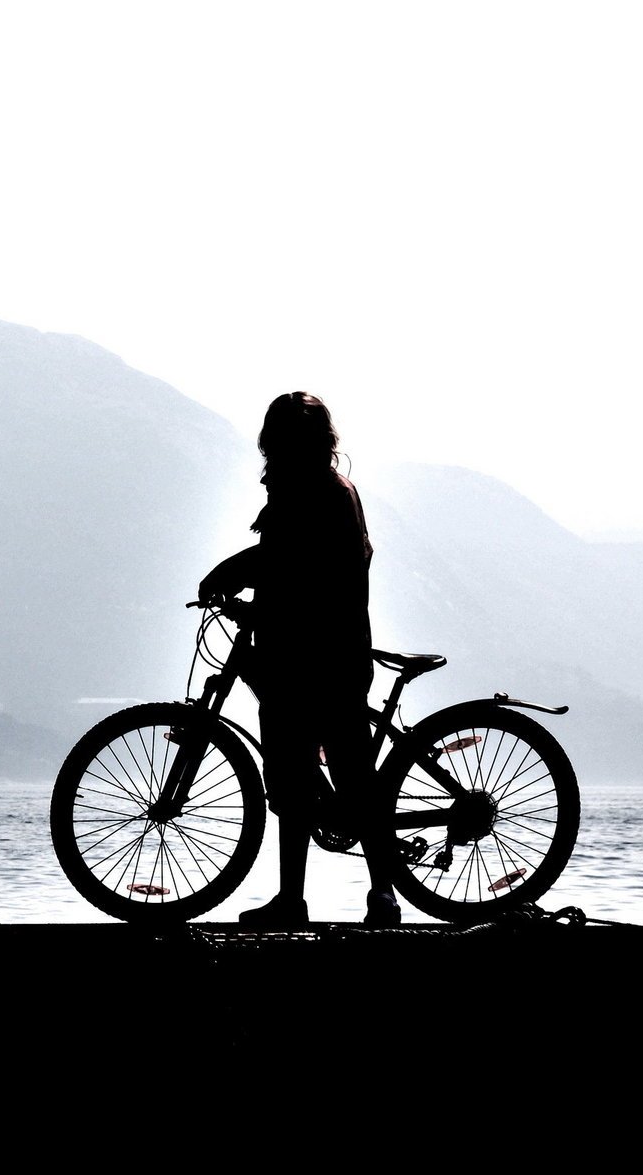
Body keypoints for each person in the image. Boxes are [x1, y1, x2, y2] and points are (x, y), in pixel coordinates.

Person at [197, 391, 400, 927]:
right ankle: (322, 898)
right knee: (303, 778)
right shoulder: (319, 487)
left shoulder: (316, 492)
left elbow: (286, 558)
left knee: (324, 776)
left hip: (318, 656)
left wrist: (227, 575)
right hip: (316, 651)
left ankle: (354, 896)